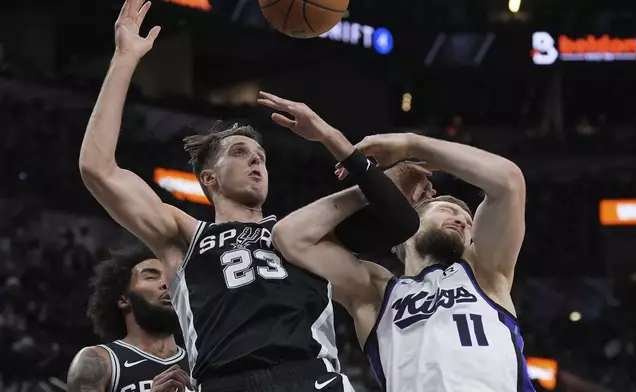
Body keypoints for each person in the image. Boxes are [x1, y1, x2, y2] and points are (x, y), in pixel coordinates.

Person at [79, 1, 424, 390]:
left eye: (260, 156)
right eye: (240, 154)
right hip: (228, 381)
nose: (256, 162)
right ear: (209, 178)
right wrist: (125, 57)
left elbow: (400, 223)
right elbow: (98, 169)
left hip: (312, 378)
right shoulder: (185, 237)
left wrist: (359, 155)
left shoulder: (302, 234)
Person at [271, 131, 536, 392]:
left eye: (468, 223)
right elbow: (291, 238)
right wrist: (377, 188)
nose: (462, 221)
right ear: (412, 222)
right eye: (447, 210)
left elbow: (508, 182)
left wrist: (412, 144)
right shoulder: (376, 292)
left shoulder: (484, 273)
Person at [67, 243, 191, 392]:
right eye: (151, 276)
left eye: (171, 278)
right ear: (124, 299)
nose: (167, 284)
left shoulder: (201, 362)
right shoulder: (97, 361)